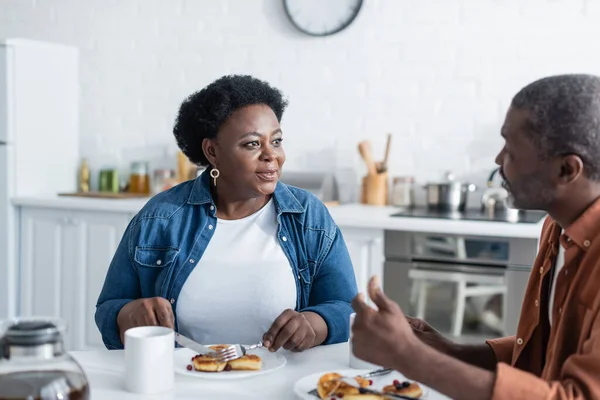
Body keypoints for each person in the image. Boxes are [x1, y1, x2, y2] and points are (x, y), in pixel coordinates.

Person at [351, 74, 600, 400]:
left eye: (510, 150)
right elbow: (544, 354)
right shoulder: (556, 227)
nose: (498, 161)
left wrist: (407, 356)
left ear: (567, 170)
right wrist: (447, 350)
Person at [95, 74, 358, 352]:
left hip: (282, 385)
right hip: (183, 383)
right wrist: (130, 315)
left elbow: (347, 309)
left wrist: (314, 324)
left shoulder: (307, 216)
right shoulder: (160, 218)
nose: (272, 155)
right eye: (252, 144)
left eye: (277, 141)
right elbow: (109, 310)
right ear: (212, 151)